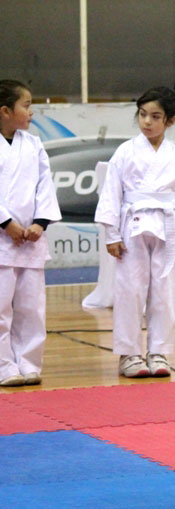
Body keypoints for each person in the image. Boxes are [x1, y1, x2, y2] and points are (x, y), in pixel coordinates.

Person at [94, 86, 175, 379]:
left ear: (170, 121)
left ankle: (159, 351)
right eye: (142, 115)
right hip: (132, 226)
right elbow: (111, 194)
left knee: (163, 294)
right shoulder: (125, 152)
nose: (147, 122)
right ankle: (129, 353)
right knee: (130, 290)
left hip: (167, 227)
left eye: (155, 116)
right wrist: (112, 235)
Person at [0, 79, 61, 387]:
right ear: (5, 111)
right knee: (0, 307)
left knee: (31, 306)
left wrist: (41, 222)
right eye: (26, 105)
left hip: (31, 239)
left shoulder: (33, 144)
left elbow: (44, 185)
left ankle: (29, 363)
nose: (31, 112)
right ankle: (4, 366)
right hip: (2, 238)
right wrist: (6, 223)